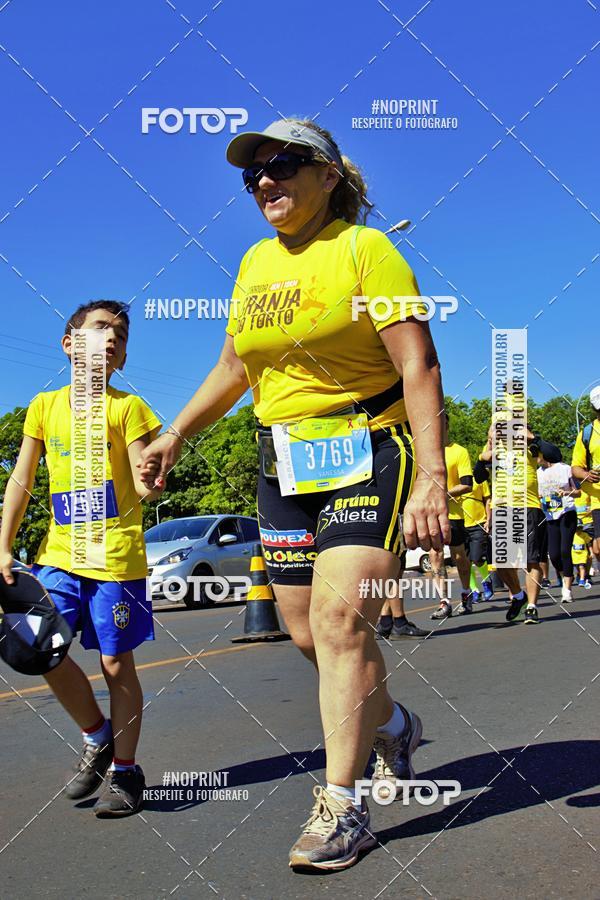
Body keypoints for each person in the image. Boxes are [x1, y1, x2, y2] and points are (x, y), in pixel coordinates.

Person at [138, 119, 450, 871]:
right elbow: (235, 369)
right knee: (309, 634)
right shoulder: (251, 264)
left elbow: (419, 365)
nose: (265, 182)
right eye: (254, 176)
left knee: (343, 622)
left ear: (330, 175)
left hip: (368, 447)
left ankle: (343, 806)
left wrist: (434, 476)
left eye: (282, 165)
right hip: (283, 462)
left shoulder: (367, 251)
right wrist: (176, 432)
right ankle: (395, 725)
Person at [0, 301, 162, 817]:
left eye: (119, 335)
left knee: (116, 663)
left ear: (123, 358)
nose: (110, 338)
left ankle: (127, 772)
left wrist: (151, 480)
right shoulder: (44, 406)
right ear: (70, 344)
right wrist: (3, 545)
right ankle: (98, 735)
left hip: (116, 558)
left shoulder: (127, 409)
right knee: (36, 644)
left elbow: (144, 473)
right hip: (59, 554)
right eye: (99, 328)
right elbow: (21, 479)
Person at [474, 423, 560, 624]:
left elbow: (555, 455)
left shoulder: (530, 447)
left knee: (532, 559)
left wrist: (533, 437)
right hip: (502, 510)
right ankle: (518, 596)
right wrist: (483, 454)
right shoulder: (494, 453)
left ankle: (531, 606)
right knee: (501, 561)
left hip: (528, 507)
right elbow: (478, 477)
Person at [430, 417, 474, 619]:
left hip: (454, 514)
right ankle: (444, 601)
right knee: (435, 556)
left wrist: (444, 493)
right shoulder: (426, 453)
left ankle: (466, 593)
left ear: (446, 426)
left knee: (459, 557)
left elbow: (467, 484)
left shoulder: (459, 451)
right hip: (432, 514)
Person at [537, 453, 580, 602]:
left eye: (537, 454)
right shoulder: (537, 473)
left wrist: (567, 492)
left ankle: (567, 589)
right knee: (554, 555)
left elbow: (578, 492)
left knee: (564, 550)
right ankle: (566, 576)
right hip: (550, 516)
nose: (534, 457)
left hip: (567, 513)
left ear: (545, 454)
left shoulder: (565, 469)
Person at [571, 385, 600, 564]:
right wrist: (586, 475)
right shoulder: (586, 434)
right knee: (598, 548)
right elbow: (576, 468)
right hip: (598, 497)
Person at [461, 476, 494, 602]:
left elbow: (487, 499)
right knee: (465, 562)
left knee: (477, 557)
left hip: (478, 523)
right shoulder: (452, 479)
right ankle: (474, 590)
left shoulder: (479, 478)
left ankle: (486, 581)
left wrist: (488, 519)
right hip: (461, 525)